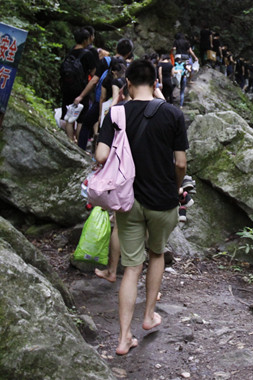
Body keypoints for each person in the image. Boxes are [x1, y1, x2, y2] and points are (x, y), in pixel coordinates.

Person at [96, 59, 188, 356]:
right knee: (157, 254)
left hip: (127, 200)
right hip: (162, 199)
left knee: (131, 267)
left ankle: (124, 338)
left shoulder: (116, 113)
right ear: (156, 83)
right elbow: (181, 162)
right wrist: (175, 185)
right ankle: (148, 316)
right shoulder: (174, 114)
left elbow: (100, 156)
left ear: (128, 84)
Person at [60, 28, 97, 144]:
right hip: (81, 89)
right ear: (86, 40)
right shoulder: (88, 54)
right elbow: (93, 73)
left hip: (67, 88)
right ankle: (79, 146)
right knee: (81, 119)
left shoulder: (70, 52)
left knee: (68, 117)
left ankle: (70, 141)